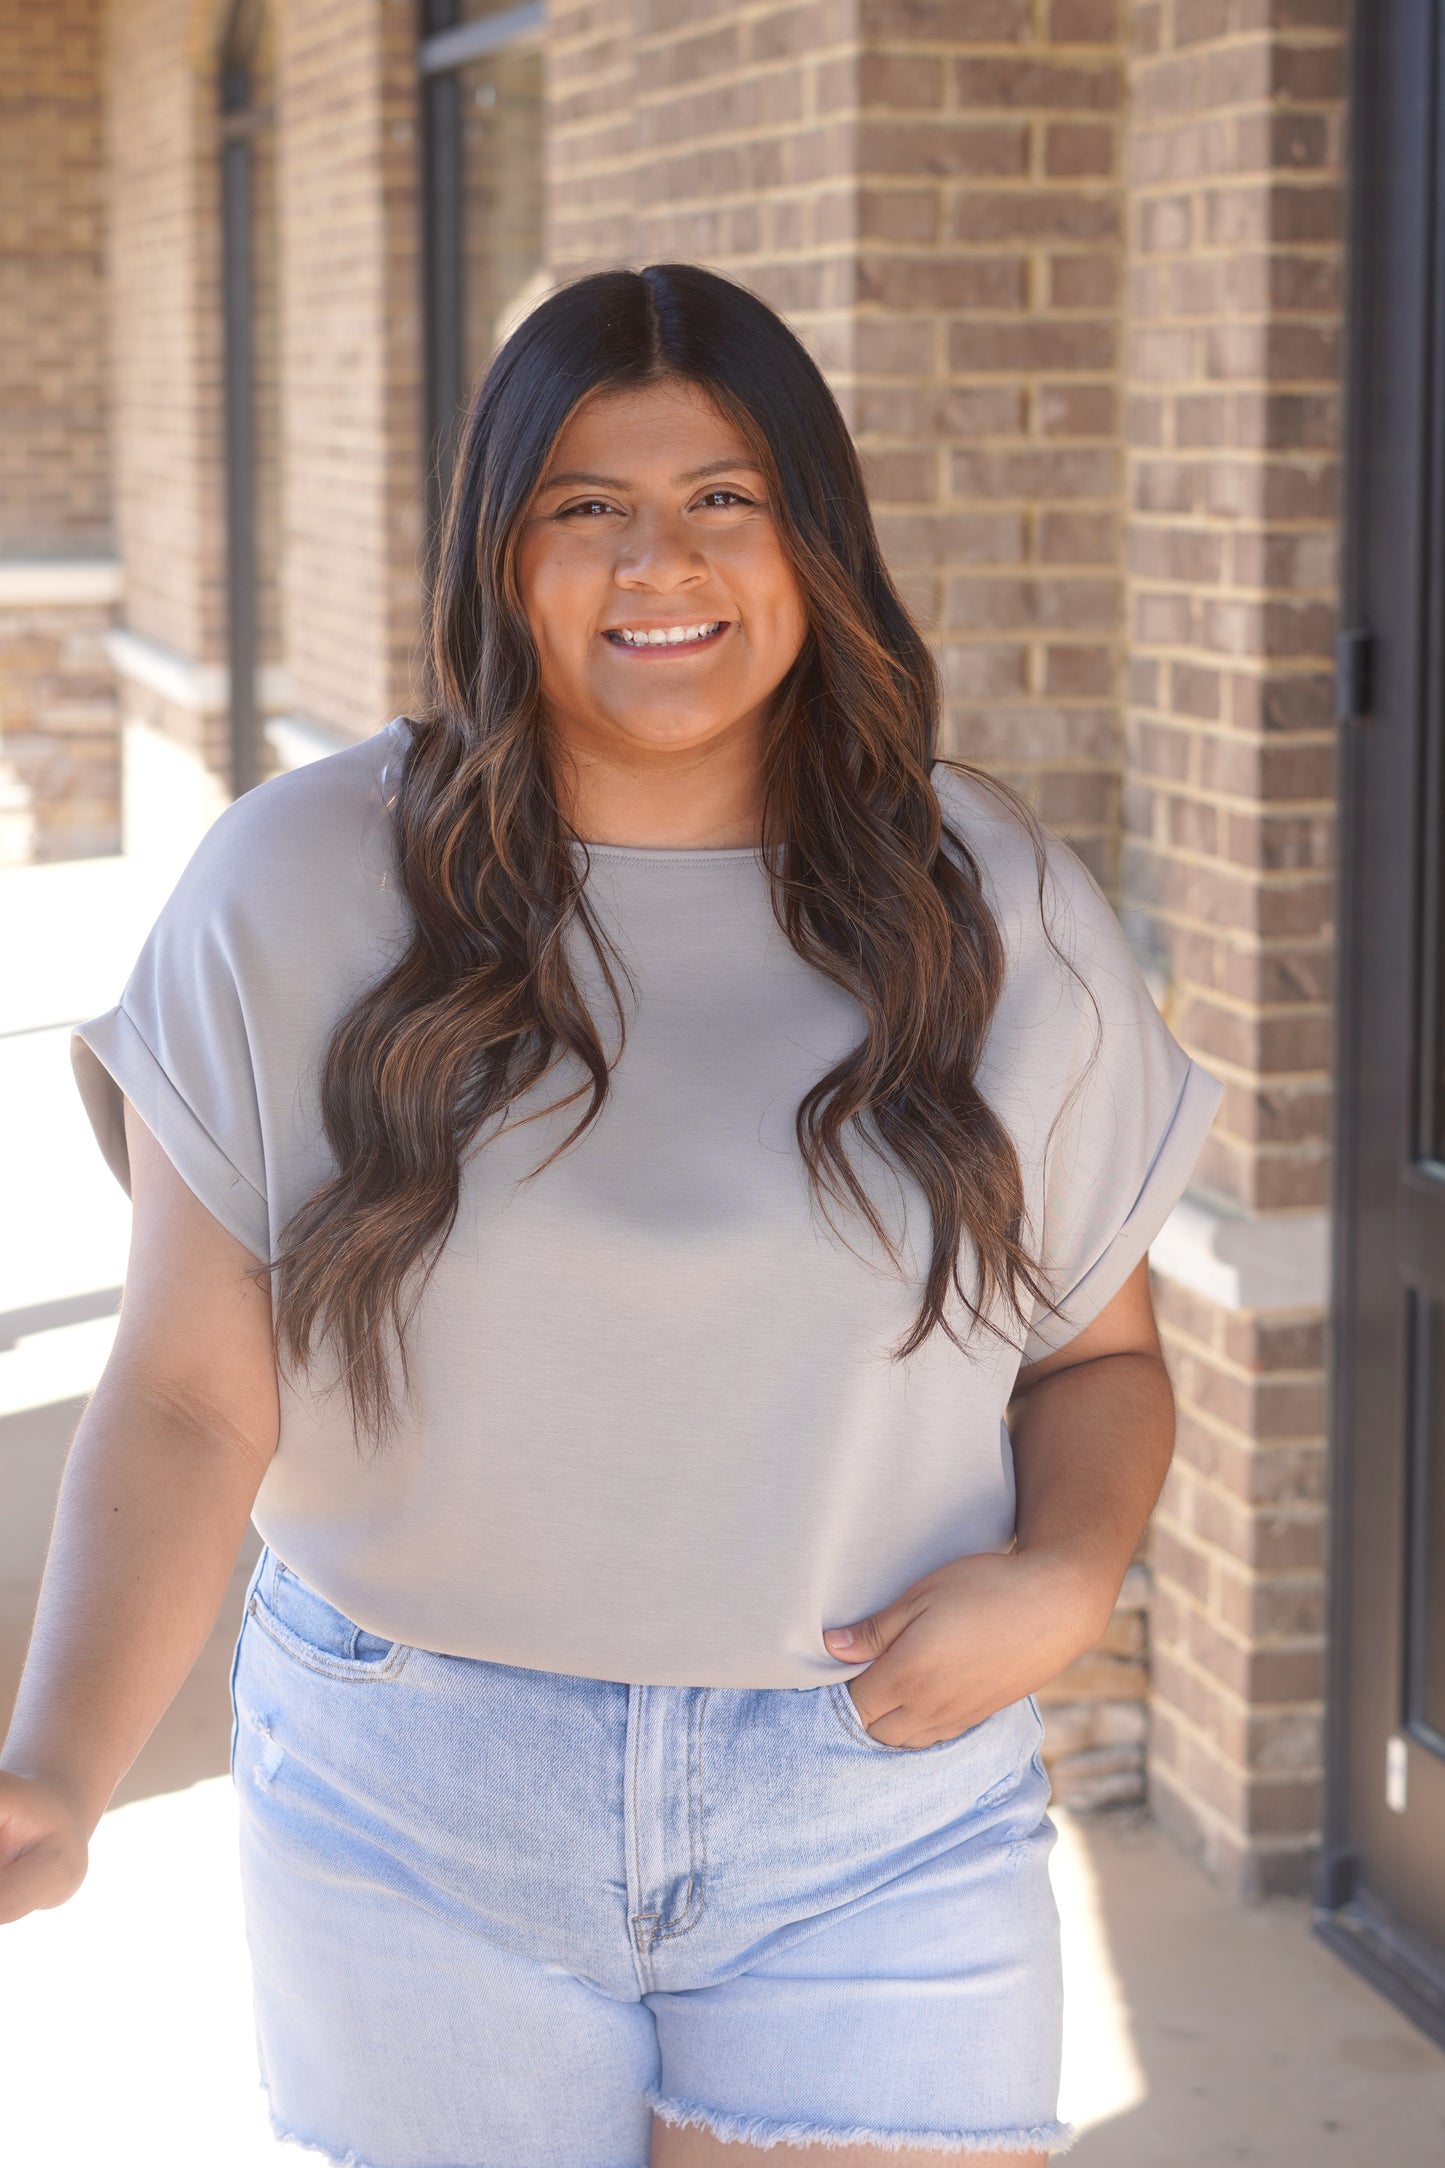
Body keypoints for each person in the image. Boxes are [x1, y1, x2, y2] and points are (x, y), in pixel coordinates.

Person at [0, 262, 1223, 2167]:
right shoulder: (296, 882)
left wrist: (1066, 1573)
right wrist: (58, 1771)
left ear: (815, 541)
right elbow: (182, 1398)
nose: (661, 562)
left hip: (872, 1802)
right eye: (589, 505)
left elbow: (1099, 1363)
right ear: (502, 556)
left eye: (724, 496)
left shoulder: (993, 905)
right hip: (413, 1796)